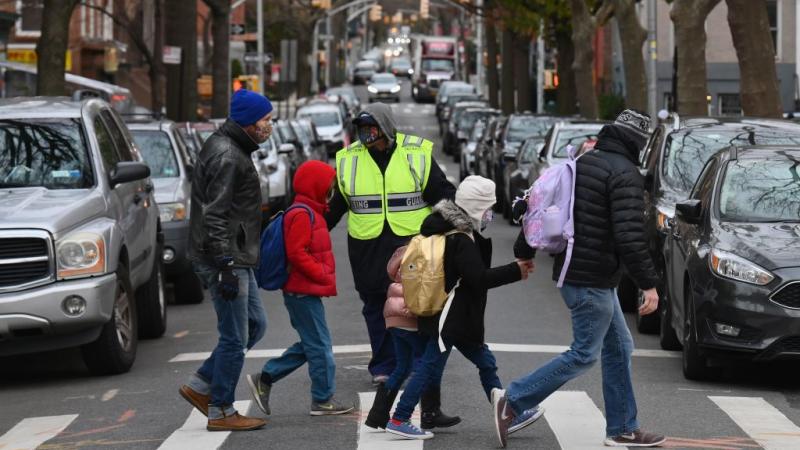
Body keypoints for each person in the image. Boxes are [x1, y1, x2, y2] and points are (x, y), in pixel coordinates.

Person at [493, 110, 666, 448]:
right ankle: (513, 401)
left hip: (580, 274)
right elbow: (630, 236)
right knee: (584, 353)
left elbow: (541, 204)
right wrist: (648, 284)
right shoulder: (625, 174)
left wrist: (523, 249)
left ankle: (622, 428)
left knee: (619, 346)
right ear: (638, 143)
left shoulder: (583, 163)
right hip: (592, 278)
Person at [326, 103, 459, 428]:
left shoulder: (416, 154)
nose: (366, 136)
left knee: (415, 307)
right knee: (375, 306)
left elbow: (444, 196)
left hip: (411, 246)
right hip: (367, 245)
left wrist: (457, 229)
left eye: (372, 129)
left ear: (386, 128)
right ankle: (384, 366)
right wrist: (309, 236)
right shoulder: (347, 160)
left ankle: (411, 364)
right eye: (362, 129)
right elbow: (334, 207)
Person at [384, 176, 538, 440]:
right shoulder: (461, 239)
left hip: (457, 317)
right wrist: (515, 270)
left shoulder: (445, 229)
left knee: (485, 362)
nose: (490, 214)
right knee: (430, 366)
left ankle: (509, 413)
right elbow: (477, 279)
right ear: (477, 207)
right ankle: (400, 417)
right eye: (488, 208)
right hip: (450, 318)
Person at [180, 89, 273, 432]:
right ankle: (221, 409)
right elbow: (214, 215)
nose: (269, 126)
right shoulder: (227, 156)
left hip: (234, 254)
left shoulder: (233, 148)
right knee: (235, 336)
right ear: (248, 122)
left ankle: (201, 384)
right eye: (265, 120)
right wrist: (226, 266)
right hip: (225, 258)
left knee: (255, 325)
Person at [245, 160, 354, 417]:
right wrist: (321, 273)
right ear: (315, 186)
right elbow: (297, 253)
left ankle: (266, 377)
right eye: (328, 185)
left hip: (303, 290)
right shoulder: (302, 214)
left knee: (311, 343)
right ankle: (322, 399)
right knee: (320, 346)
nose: (331, 190)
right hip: (301, 291)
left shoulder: (310, 212)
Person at [364, 246, 459, 431]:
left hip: (393, 315)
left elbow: (394, 274)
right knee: (428, 364)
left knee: (402, 366)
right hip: (409, 318)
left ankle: (378, 414)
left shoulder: (402, 253)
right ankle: (426, 413)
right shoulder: (426, 253)